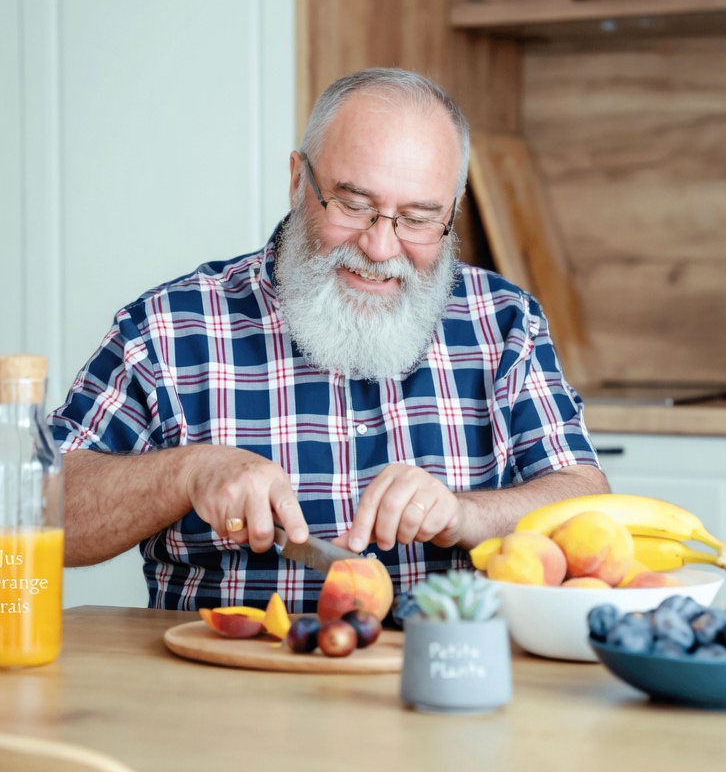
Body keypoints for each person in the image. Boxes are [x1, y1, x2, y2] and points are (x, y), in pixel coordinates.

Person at [49, 68, 608, 610]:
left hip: (445, 678)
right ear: (298, 180)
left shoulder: (504, 322)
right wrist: (187, 473)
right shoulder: (170, 327)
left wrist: (464, 516)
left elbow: (585, 499)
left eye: (418, 218)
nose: (381, 247)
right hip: (226, 690)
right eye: (354, 205)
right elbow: (38, 514)